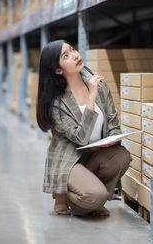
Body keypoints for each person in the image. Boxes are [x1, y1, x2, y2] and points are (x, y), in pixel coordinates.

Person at [36, 40, 131, 216]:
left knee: (121, 156)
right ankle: (65, 195)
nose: (75, 55)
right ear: (58, 70)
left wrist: (114, 138)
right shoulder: (56, 103)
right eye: (66, 56)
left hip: (95, 155)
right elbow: (80, 137)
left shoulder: (99, 86)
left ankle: (95, 199)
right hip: (70, 160)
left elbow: (112, 123)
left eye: (72, 49)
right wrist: (90, 99)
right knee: (95, 196)